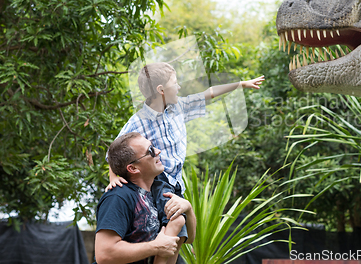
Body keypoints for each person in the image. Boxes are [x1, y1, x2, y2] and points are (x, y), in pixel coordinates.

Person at [105, 62, 264, 260]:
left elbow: (210, 93)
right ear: (161, 90)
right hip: (159, 181)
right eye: (175, 82)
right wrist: (113, 178)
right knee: (176, 221)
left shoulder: (178, 107)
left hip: (176, 182)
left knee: (182, 232)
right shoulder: (139, 121)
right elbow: (114, 152)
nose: (179, 86)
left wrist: (240, 84)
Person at [95, 132, 196, 264]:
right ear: (133, 168)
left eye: (153, 146)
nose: (158, 151)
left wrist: (188, 208)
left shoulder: (159, 195)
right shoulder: (118, 197)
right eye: (150, 151)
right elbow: (104, 254)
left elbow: (189, 239)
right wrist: (157, 247)